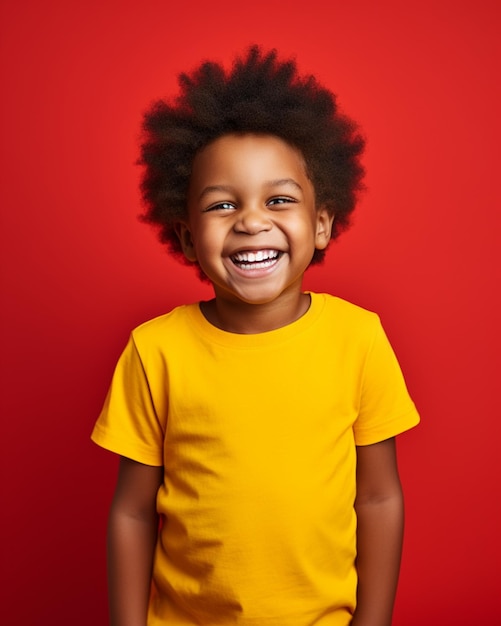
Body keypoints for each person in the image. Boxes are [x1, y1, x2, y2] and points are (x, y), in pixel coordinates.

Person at [91, 46, 420, 626]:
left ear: (321, 224)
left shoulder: (359, 339)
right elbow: (133, 513)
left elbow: (378, 497)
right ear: (189, 238)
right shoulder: (155, 351)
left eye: (279, 200)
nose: (250, 220)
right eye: (222, 204)